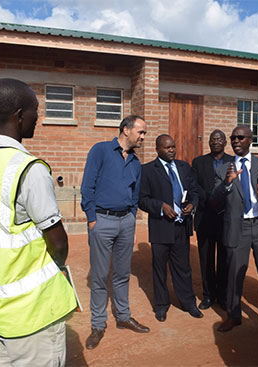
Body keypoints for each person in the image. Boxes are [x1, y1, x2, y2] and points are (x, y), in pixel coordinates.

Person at [0, 78, 77, 366]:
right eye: (35, 111)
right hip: (33, 313)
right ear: (19, 115)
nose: (38, 118)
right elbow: (58, 243)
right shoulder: (30, 169)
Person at [81, 115, 150, 349]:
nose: (143, 137)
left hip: (125, 223)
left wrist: (131, 215)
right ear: (125, 130)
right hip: (101, 221)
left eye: (144, 133)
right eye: (140, 132)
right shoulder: (100, 150)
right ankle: (98, 324)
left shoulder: (135, 162)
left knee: (122, 273)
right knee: (100, 276)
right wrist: (92, 219)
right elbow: (87, 186)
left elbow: (135, 192)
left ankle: (123, 316)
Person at [210, 126, 258, 338]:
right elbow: (214, 200)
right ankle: (233, 315)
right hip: (236, 228)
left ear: (251, 140)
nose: (235, 141)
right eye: (233, 138)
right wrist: (227, 184)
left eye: (240, 137)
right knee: (233, 274)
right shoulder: (223, 169)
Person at [139, 134, 202, 321]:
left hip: (181, 227)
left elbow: (194, 191)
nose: (172, 150)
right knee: (160, 269)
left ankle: (188, 302)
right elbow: (142, 199)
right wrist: (160, 207)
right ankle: (161, 305)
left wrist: (192, 204)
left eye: (173, 147)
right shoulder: (148, 170)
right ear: (157, 149)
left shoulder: (184, 167)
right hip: (160, 228)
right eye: (167, 147)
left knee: (183, 267)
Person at [191, 129, 234, 309]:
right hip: (205, 216)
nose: (215, 142)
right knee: (206, 258)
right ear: (208, 142)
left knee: (224, 258)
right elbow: (194, 184)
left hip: (226, 217)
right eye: (212, 139)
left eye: (219, 139)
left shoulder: (233, 161)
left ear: (225, 142)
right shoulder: (199, 162)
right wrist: (208, 197)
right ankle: (208, 295)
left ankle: (223, 295)